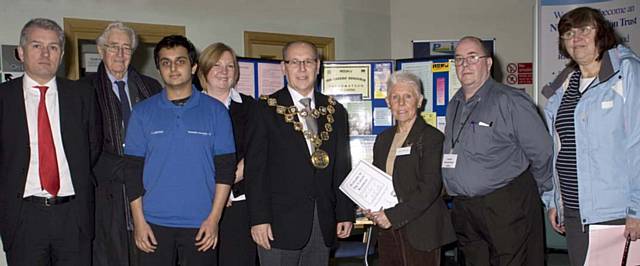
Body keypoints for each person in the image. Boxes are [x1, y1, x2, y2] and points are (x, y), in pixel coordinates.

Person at [124, 35, 236, 265]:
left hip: (201, 225)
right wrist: (139, 222)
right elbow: (132, 171)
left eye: (180, 61)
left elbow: (225, 170)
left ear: (194, 67)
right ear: (159, 69)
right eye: (165, 62)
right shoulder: (142, 112)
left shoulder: (216, 112)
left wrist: (214, 219)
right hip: (153, 224)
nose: (173, 68)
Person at [541, 6, 640, 266]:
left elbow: (637, 143)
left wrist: (637, 208)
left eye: (585, 30)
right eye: (569, 33)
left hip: (615, 212)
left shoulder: (626, 72)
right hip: (574, 212)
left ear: (602, 33)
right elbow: (559, 150)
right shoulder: (564, 86)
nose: (576, 39)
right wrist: (555, 200)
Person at [441, 36, 553, 265]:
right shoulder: (454, 103)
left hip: (505, 206)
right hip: (465, 209)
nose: (465, 65)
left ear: (489, 63)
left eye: (472, 57)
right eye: (459, 59)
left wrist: (540, 191)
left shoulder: (511, 100)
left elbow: (542, 152)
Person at [0, 18, 101, 265]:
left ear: (62, 54)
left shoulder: (82, 95)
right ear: (21, 52)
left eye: (53, 47)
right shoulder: (3, 98)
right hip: (23, 217)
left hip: (74, 216)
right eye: (37, 45)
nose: (45, 53)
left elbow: (93, 147)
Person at [245, 40, 354, 266]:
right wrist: (259, 219)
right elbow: (255, 171)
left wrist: (344, 213)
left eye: (308, 61)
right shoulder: (265, 109)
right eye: (295, 62)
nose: (302, 69)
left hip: (322, 220)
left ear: (318, 65)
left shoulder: (335, 111)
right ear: (284, 68)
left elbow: (342, 167)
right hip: (277, 223)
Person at [83, 21, 162, 266]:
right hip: (107, 197)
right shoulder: (83, 90)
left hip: (150, 194)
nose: (120, 54)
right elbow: (84, 147)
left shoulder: (152, 87)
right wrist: (131, 170)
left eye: (126, 48)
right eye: (113, 47)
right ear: (100, 50)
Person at [362, 71, 456, 266]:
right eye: (395, 97)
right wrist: (367, 203)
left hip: (421, 229)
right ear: (388, 102)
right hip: (387, 229)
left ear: (419, 101)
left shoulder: (432, 138)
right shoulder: (383, 139)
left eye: (408, 96)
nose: (401, 103)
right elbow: (376, 178)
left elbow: (430, 188)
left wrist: (393, 216)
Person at [197, 42, 257, 265]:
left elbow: (255, 154)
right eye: (217, 65)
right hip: (199, 204)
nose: (223, 71)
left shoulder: (251, 108)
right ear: (203, 70)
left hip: (238, 203)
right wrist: (212, 192)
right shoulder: (189, 108)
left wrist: (225, 189)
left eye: (230, 66)